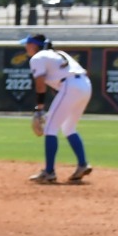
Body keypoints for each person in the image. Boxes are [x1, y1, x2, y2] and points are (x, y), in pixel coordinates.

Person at [23, 34, 93, 184]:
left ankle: (49, 172)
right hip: (85, 85)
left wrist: (39, 108)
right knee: (69, 127)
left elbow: (40, 83)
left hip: (70, 86)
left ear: (35, 45)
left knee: (50, 128)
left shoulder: (37, 57)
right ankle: (82, 164)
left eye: (28, 44)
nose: (25, 47)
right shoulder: (59, 54)